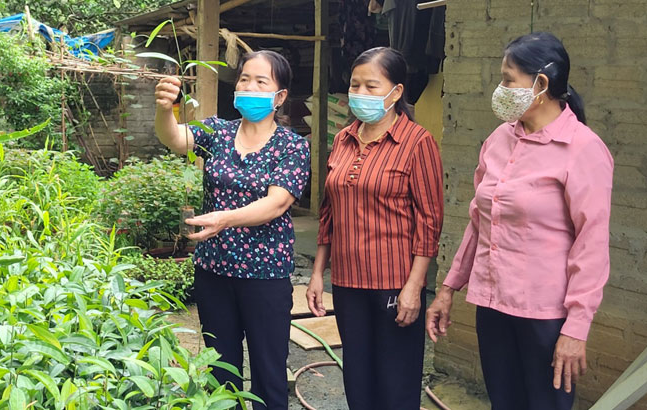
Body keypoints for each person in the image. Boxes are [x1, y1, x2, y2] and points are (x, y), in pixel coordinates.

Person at [426, 32, 614, 410]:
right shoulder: (498, 140)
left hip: (546, 318)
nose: (501, 88)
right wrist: (448, 288)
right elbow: (480, 221)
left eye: (508, 79)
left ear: (541, 84)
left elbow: (591, 246)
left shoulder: (583, 149)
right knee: (504, 403)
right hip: (493, 306)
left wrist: (576, 329)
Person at [154, 50, 310, 410]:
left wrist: (223, 218)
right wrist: (166, 109)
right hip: (214, 272)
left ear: (280, 96)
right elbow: (175, 139)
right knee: (219, 371)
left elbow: (276, 203)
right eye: (244, 79)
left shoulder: (292, 146)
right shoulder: (217, 131)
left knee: (269, 373)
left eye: (261, 81)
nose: (249, 86)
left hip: (265, 276)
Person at [306, 47, 444, 410]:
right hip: (349, 283)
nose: (360, 94)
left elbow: (429, 222)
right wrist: (318, 273)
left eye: (371, 86)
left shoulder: (418, 143)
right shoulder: (342, 139)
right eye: (355, 85)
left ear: (396, 92)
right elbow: (328, 212)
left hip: (393, 283)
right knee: (358, 377)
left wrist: (414, 287)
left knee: (395, 382)